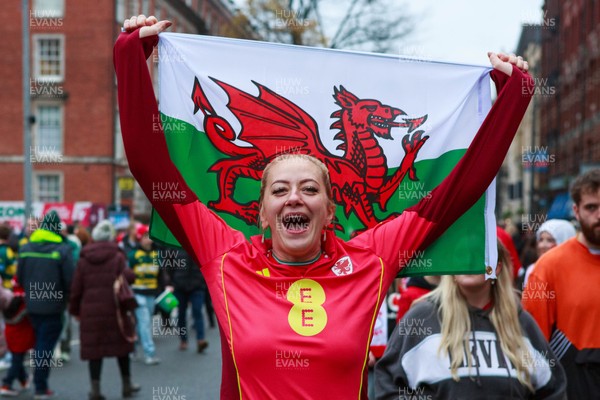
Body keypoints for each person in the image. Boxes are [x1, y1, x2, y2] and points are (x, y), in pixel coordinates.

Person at [115, 14, 533, 399]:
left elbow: (460, 189)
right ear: (261, 212)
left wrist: (512, 97)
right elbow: (151, 169)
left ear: (331, 211)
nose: (294, 197)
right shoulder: (224, 257)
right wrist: (132, 59)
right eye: (279, 191)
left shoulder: (371, 259)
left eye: (309, 189)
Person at [375, 242, 567, 399]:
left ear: (497, 267)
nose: (468, 261)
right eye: (460, 254)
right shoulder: (422, 318)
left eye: (478, 253)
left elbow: (554, 389)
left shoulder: (521, 322)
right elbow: (386, 384)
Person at [523, 169, 600, 399]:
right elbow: (530, 347)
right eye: (591, 207)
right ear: (575, 211)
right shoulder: (549, 267)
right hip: (573, 388)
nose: (599, 215)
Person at [69, 220, 140, 399]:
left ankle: (95, 390)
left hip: (90, 311)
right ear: (110, 237)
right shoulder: (118, 256)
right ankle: (127, 385)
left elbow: (76, 288)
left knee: (95, 351)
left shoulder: (84, 259)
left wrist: (75, 311)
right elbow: (129, 278)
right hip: (116, 309)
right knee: (122, 347)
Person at [16, 210, 75, 399]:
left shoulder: (26, 248)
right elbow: (70, 280)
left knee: (38, 343)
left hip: (32, 304)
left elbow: (20, 277)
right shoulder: (62, 250)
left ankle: (29, 380)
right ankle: (40, 387)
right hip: (54, 305)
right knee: (45, 346)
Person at [127, 225, 165, 365]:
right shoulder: (133, 255)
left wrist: (166, 288)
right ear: (139, 238)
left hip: (151, 293)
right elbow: (126, 275)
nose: (148, 239)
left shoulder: (157, 255)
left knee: (142, 323)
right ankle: (149, 353)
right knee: (145, 323)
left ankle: (132, 348)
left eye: (149, 235)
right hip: (137, 293)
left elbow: (161, 274)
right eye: (144, 236)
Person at [166, 248, 208, 352]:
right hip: (179, 286)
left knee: (198, 311)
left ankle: (200, 340)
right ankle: (183, 339)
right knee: (181, 314)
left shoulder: (199, 247)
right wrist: (171, 283)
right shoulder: (174, 247)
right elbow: (169, 267)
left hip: (197, 286)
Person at [0, 282, 35, 397]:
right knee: (17, 359)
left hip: (10, 332)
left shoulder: (6, 299)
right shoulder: (24, 302)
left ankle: (23, 380)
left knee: (17, 357)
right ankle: (7, 383)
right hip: (21, 334)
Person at [521, 219, 576, 285]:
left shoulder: (575, 273)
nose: (542, 245)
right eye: (541, 239)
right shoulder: (532, 270)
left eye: (550, 240)